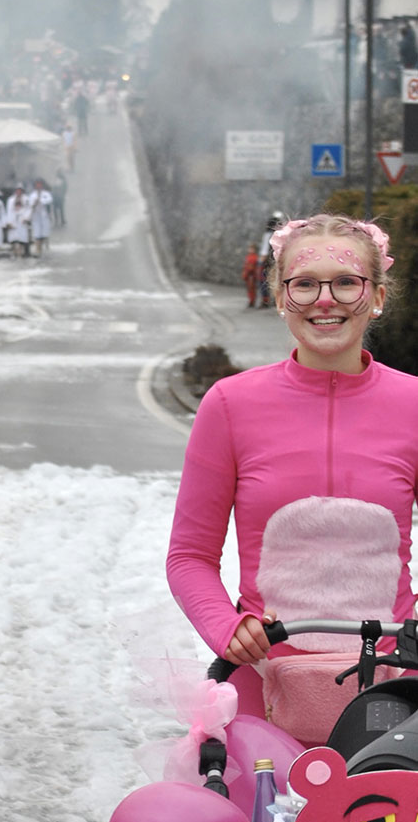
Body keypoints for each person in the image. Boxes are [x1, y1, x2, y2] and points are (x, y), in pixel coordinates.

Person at [166, 214, 418, 714]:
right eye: (304, 285)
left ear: (377, 296)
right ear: (281, 298)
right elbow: (189, 556)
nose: (325, 300)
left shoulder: (413, 404)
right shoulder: (229, 405)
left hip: (394, 690)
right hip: (263, 684)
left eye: (346, 282)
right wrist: (226, 626)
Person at [241, 244, 260, 309]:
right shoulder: (249, 256)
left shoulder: (254, 257)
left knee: (251, 289)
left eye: (251, 249)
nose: (250, 250)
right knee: (249, 289)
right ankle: (251, 300)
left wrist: (247, 273)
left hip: (251, 275)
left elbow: (251, 267)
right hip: (248, 275)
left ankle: (252, 300)